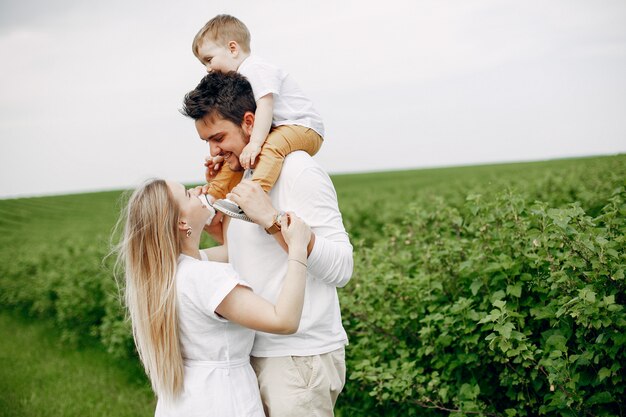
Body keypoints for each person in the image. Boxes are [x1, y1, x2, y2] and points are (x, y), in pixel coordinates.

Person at [182, 71, 353, 417]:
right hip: (252, 352)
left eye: (218, 138)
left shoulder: (298, 170)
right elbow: (249, 256)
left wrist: (272, 220)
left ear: (249, 122)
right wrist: (213, 234)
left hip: (298, 358)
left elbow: (342, 268)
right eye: (207, 143)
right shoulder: (245, 175)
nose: (213, 151)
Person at [115, 178, 312, 416]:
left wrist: (223, 208)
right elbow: (284, 321)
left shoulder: (168, 273)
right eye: (188, 195)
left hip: (183, 403)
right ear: (181, 222)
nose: (198, 191)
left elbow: (236, 252)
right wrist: (298, 249)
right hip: (224, 399)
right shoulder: (206, 277)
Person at [191, 14, 325, 219]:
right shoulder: (244, 76)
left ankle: (254, 196)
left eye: (209, 60)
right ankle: (212, 196)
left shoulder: (255, 68)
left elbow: (265, 105)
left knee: (269, 146)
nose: (208, 69)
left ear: (232, 48)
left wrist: (255, 143)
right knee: (242, 153)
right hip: (284, 128)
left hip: (303, 127)